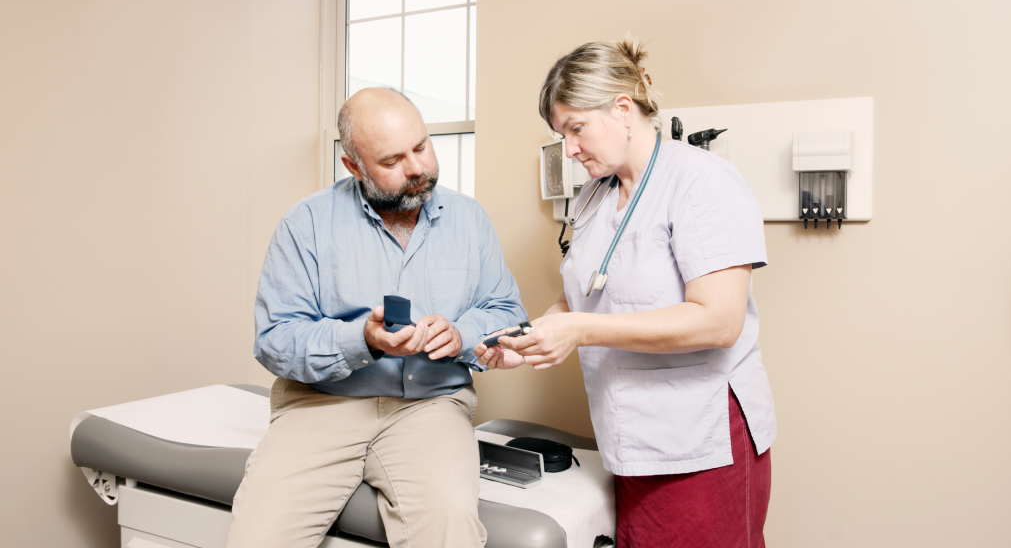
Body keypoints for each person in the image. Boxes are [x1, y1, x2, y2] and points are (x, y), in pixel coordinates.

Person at [476, 40, 776, 548]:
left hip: (701, 436)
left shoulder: (700, 180)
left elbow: (719, 320)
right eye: (561, 134)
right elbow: (580, 299)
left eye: (576, 129)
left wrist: (579, 331)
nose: (569, 149)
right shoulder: (594, 195)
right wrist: (527, 340)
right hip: (629, 438)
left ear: (621, 109)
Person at [228, 87, 527, 548]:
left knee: (450, 529)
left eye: (421, 147)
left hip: (431, 406)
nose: (417, 168)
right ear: (353, 166)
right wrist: (362, 341)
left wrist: (462, 333)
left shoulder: (470, 219)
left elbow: (508, 313)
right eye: (392, 161)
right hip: (321, 404)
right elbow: (275, 340)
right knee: (258, 539)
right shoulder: (305, 224)